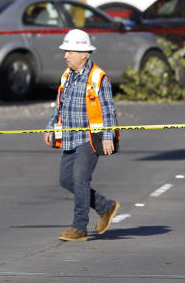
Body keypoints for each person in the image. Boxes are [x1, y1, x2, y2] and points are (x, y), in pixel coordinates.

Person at [43, 28, 121, 242]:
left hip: (89, 138)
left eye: (70, 51)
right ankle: (106, 207)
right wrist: (51, 126)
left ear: (84, 54)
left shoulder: (98, 78)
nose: (66, 55)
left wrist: (107, 136)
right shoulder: (67, 75)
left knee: (80, 180)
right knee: (66, 180)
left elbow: (108, 110)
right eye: (65, 51)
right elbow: (59, 105)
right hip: (69, 137)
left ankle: (79, 228)